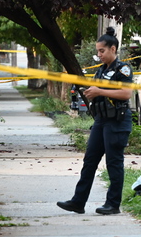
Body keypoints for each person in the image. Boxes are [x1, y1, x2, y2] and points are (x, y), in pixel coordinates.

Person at [57, 27, 133, 215]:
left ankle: (113, 204)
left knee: (113, 163)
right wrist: (92, 93)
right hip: (101, 121)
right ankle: (78, 202)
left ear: (113, 49)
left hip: (116, 122)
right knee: (89, 160)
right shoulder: (101, 70)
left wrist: (99, 91)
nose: (99, 54)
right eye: (97, 51)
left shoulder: (122, 69)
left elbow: (125, 93)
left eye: (102, 51)